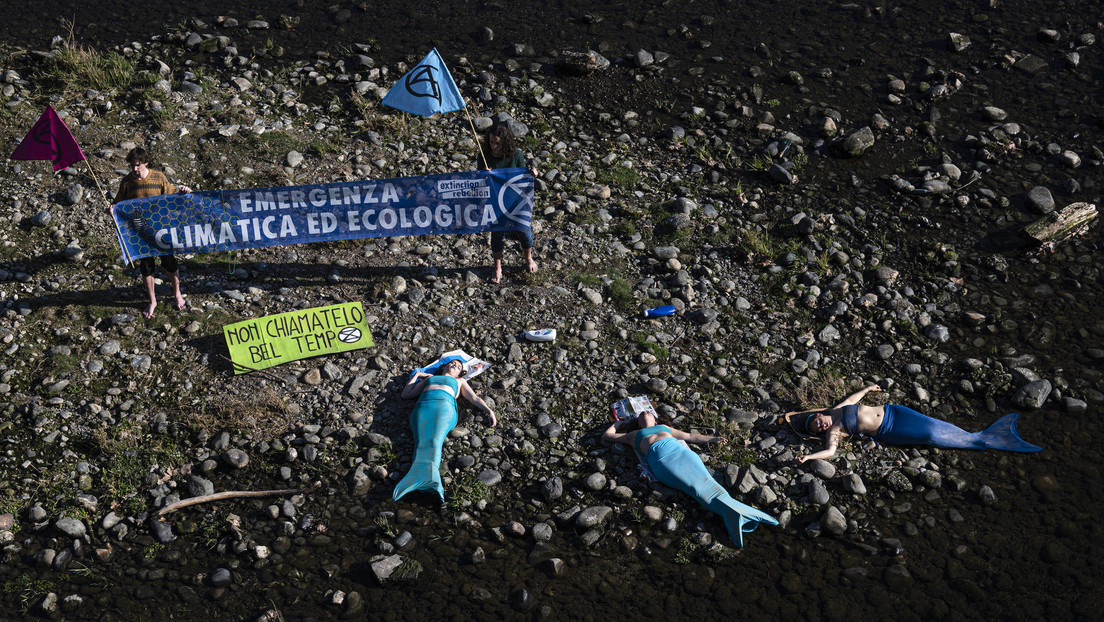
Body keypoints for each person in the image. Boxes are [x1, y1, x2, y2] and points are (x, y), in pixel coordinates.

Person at [602, 412, 777, 547]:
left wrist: (713, 439)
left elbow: (690, 437)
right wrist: (618, 423)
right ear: (638, 422)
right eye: (641, 415)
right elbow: (607, 436)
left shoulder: (665, 428)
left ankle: (734, 513)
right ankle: (733, 514)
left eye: (647, 412)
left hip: (684, 455)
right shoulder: (633, 435)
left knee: (709, 483)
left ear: (654, 419)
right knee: (696, 489)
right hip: (665, 465)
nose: (644, 414)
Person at [782, 384, 1042, 463]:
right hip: (890, 429)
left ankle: (978, 436)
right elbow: (830, 451)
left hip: (895, 411)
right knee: (930, 436)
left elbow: (852, 397)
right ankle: (983, 440)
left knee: (934, 422)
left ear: (818, 415)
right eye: (821, 430)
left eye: (819, 423)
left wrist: (868, 388)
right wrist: (807, 458)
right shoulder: (837, 431)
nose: (824, 426)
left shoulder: (836, 410)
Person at [393, 356, 496, 501]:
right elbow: (406, 394)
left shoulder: (460, 381)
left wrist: (489, 411)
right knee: (420, 441)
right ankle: (421, 480)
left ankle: (431, 482)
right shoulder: (430, 378)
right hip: (423, 407)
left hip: (444, 407)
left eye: (458, 366)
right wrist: (417, 375)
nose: (454, 365)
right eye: (452, 363)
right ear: (444, 367)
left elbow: (473, 398)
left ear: (460, 373)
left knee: (435, 441)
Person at [106, 147, 192, 319]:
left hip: (161, 227)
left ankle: (177, 294)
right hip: (140, 231)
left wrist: (184, 192)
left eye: (137, 165)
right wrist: (111, 209)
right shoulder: (127, 182)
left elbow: (172, 195)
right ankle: (152, 300)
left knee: (169, 261)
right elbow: (118, 204)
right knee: (146, 266)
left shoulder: (159, 177)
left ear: (146, 163)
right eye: (131, 166)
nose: (134, 169)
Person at [478, 124, 537, 283]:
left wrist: (532, 173)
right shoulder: (484, 155)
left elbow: (522, 176)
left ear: (505, 142)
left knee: (524, 231)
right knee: (497, 235)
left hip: (516, 201)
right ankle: (498, 268)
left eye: (497, 143)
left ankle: (528, 259)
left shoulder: (516, 154)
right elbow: (478, 181)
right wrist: (484, 174)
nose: (493, 146)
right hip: (495, 201)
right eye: (491, 142)